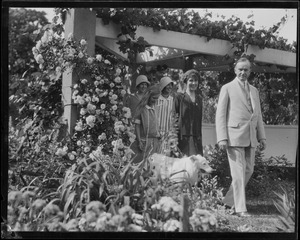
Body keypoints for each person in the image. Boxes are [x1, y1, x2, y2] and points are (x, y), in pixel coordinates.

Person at [215, 57, 267, 217]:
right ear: (235, 70)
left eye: (246, 69)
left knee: (249, 170)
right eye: (240, 69)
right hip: (234, 136)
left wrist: (262, 137)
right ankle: (240, 208)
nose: (243, 72)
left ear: (250, 71)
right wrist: (222, 137)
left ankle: (228, 202)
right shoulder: (227, 88)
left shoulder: (254, 91)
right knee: (237, 173)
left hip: (251, 136)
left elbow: (258, 116)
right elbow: (220, 114)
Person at [174, 69, 203, 156]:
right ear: (186, 81)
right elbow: (173, 117)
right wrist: (174, 137)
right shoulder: (179, 98)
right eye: (191, 80)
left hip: (196, 137)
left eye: (196, 81)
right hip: (182, 138)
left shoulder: (199, 99)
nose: (194, 83)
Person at [133, 85, 162, 162]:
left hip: (155, 140)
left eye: (157, 98)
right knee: (145, 163)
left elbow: (156, 123)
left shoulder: (156, 108)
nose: (155, 100)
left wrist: (159, 133)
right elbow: (137, 125)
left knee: (155, 163)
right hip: (145, 140)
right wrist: (139, 140)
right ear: (148, 96)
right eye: (153, 98)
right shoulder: (142, 108)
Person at [155, 76, 175, 154]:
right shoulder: (156, 99)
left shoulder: (173, 100)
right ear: (163, 86)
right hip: (158, 134)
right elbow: (154, 116)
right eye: (167, 84)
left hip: (169, 134)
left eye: (171, 85)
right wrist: (157, 131)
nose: (169, 87)